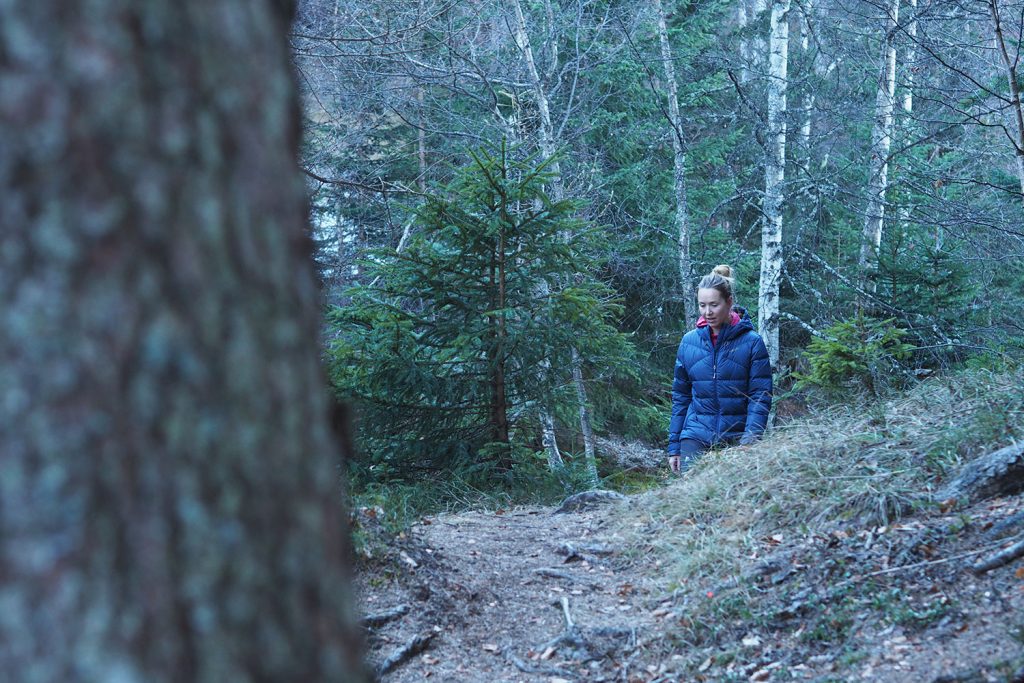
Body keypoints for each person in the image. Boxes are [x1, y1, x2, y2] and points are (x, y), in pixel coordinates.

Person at [667, 265, 773, 474]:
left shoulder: (752, 342)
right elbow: (681, 398)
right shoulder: (689, 343)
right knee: (692, 489)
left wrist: (750, 440)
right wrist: (674, 447)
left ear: (729, 302)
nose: (707, 312)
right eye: (702, 305)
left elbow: (760, 395)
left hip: (736, 436)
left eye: (714, 305)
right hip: (695, 434)